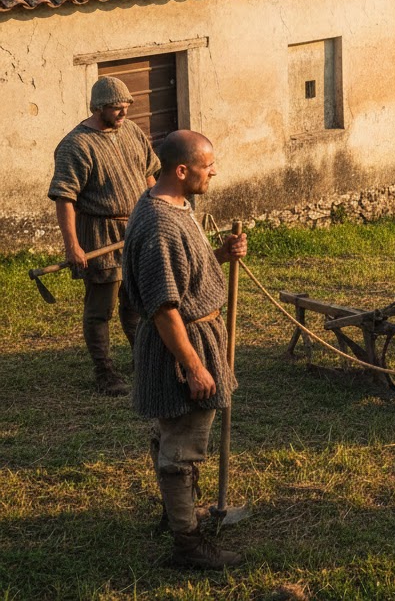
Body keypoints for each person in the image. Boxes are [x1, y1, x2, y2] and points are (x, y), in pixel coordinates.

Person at [121, 130, 247, 569]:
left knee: (176, 433)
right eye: (206, 166)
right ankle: (188, 545)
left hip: (194, 335)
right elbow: (163, 307)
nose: (214, 172)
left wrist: (219, 255)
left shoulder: (176, 206)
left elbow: (182, 274)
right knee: (181, 445)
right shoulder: (159, 225)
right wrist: (193, 366)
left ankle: (178, 512)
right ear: (180, 170)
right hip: (181, 343)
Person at [48, 76, 160, 395]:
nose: (124, 113)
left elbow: (149, 175)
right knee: (101, 308)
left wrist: (155, 213)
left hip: (136, 229)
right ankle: (105, 372)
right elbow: (65, 198)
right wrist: (73, 246)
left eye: (126, 106)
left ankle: (144, 359)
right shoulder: (76, 145)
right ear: (98, 108)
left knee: (136, 301)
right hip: (99, 234)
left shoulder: (132, 131)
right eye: (116, 108)